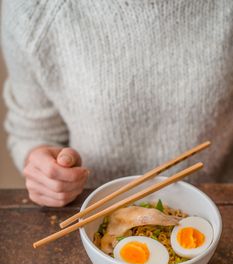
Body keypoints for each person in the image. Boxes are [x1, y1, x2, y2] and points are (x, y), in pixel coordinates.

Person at [2, 0, 233, 207]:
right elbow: (32, 131)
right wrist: (45, 171)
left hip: (214, 206)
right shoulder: (31, 11)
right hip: (93, 209)